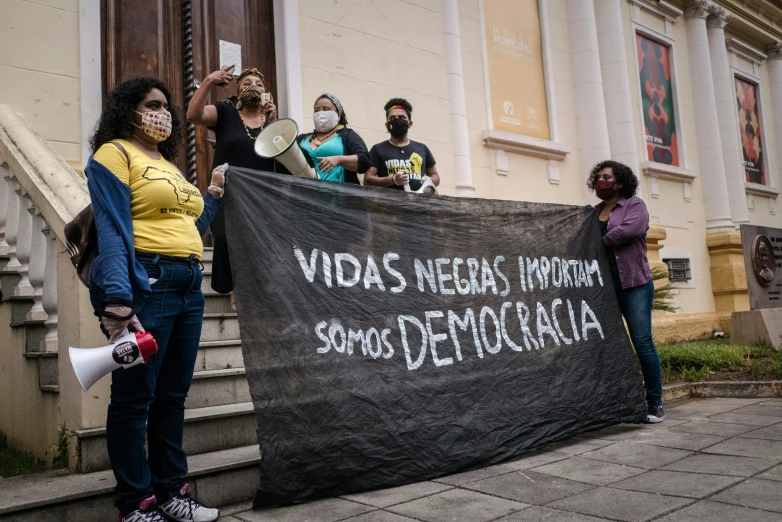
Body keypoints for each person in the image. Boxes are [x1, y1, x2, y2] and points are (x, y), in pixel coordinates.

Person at [87, 77, 225, 522]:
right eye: (153, 105)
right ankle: (136, 503)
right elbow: (111, 228)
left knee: (172, 396)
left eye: (166, 107)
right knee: (134, 398)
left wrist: (214, 193)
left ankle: (171, 493)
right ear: (129, 110)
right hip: (148, 282)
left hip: (188, 284)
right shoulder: (114, 154)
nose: (163, 113)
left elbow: (193, 225)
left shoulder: (168, 164)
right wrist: (118, 299)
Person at [187, 66, 278, 295]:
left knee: (257, 243)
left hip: (260, 197)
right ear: (238, 92)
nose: (253, 88)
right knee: (225, 237)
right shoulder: (226, 112)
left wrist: (273, 122)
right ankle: (233, 287)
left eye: (259, 85)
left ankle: (251, 291)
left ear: (267, 94)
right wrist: (208, 81)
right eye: (247, 84)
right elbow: (193, 115)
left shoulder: (274, 123)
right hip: (226, 195)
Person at [588, 160, 665, 423]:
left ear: (619, 182)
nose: (601, 180)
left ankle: (654, 403)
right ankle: (616, 401)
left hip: (634, 285)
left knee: (642, 342)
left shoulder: (635, 206)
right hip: (604, 289)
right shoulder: (593, 212)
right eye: (598, 176)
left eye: (606, 176)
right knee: (605, 344)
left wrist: (597, 242)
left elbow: (629, 230)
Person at [364, 98, 440, 191]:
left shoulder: (422, 148)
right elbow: (367, 180)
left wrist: (429, 180)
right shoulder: (377, 149)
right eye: (392, 118)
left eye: (401, 117)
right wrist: (393, 179)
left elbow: (435, 176)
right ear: (387, 124)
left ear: (410, 123)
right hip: (388, 204)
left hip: (418, 204)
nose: (396, 120)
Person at [295, 93, 370, 184]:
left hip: (338, 196)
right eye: (316, 110)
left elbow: (365, 161)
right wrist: (273, 121)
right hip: (304, 195)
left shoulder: (347, 135)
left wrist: (339, 160)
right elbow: (283, 156)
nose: (320, 113)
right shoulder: (302, 139)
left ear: (338, 115)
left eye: (326, 109)